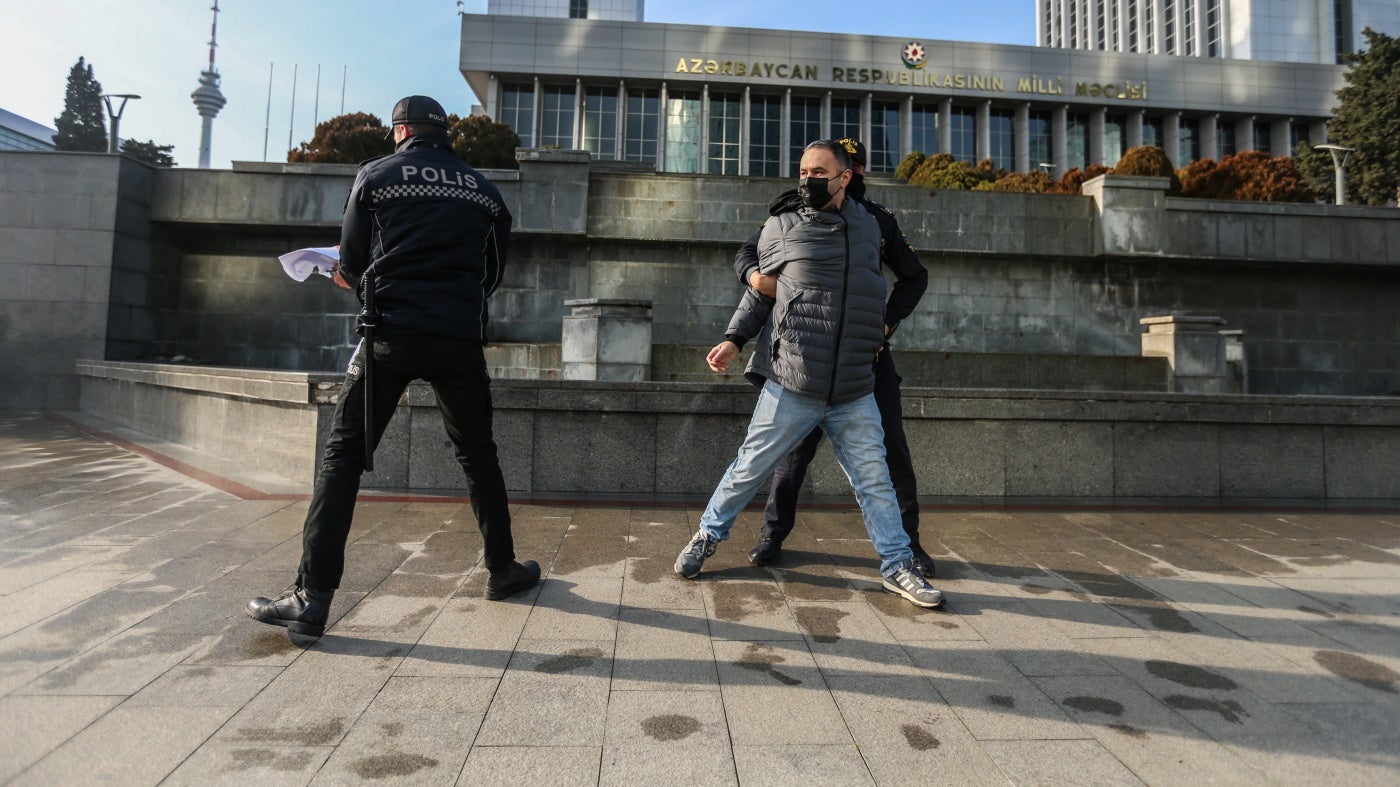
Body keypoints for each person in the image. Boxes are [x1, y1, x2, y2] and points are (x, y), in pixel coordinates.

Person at [247, 95, 539, 640]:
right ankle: (502, 570)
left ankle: (313, 597)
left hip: (390, 335)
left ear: (401, 131)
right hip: (458, 338)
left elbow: (354, 263)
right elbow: (493, 273)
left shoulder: (376, 176)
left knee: (342, 458)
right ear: (444, 134)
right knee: (478, 454)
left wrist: (348, 277)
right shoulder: (484, 190)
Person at [674, 139, 945, 610]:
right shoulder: (783, 223)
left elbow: (903, 279)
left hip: (855, 385)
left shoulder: (872, 226)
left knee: (875, 481)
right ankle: (707, 536)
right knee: (749, 468)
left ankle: (898, 564)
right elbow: (762, 288)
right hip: (793, 380)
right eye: (803, 171)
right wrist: (735, 338)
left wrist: (882, 325)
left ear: (845, 177)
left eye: (819, 172)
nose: (808, 179)